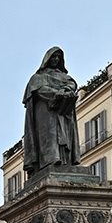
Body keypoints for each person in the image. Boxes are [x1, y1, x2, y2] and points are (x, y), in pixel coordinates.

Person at [22, 46, 80, 176]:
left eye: (58, 57)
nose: (56, 59)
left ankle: (66, 161)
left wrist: (66, 91)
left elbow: (72, 84)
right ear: (47, 59)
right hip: (47, 112)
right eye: (53, 56)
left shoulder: (64, 76)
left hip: (63, 112)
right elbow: (40, 90)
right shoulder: (37, 77)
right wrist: (56, 93)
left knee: (65, 135)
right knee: (50, 136)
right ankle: (50, 161)